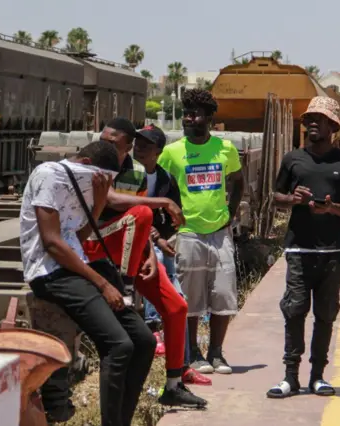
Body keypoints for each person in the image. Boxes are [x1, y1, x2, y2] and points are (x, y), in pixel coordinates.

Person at [19, 141, 156, 426]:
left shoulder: (82, 188)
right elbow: (53, 244)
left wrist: (99, 203)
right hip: (49, 273)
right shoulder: (49, 175)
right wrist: (103, 285)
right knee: (118, 346)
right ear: (82, 162)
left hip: (75, 269)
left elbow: (76, 239)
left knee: (143, 341)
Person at [83, 117, 208, 407]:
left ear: (126, 146)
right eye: (103, 137)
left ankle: (174, 385)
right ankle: (126, 290)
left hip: (124, 248)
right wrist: (163, 203)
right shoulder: (92, 161)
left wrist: (150, 253)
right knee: (144, 213)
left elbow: (137, 222)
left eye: (112, 141)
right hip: (92, 245)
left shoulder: (136, 172)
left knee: (176, 308)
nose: (105, 144)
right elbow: (112, 201)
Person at [267, 96, 340, 399]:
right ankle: (290, 377)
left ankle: (318, 376)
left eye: (318, 119)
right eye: (309, 119)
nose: (311, 123)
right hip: (299, 249)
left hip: (333, 252)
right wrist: (292, 200)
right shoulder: (293, 159)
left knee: (325, 314)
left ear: (332, 126)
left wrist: (332, 208)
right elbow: (274, 197)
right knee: (294, 310)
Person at [157, 89, 245, 375]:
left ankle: (217, 352)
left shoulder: (225, 149)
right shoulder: (172, 152)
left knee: (223, 293)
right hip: (188, 233)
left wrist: (230, 215)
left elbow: (238, 181)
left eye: (194, 113)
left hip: (220, 233)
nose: (188, 118)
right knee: (191, 297)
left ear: (209, 118)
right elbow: (161, 188)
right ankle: (193, 352)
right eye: (186, 112)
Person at [134, 124, 213, 387]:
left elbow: (173, 216)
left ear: (158, 151)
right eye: (137, 143)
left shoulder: (165, 179)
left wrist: (164, 237)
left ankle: (181, 365)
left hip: (153, 243)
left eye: (146, 145)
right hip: (133, 245)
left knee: (178, 298)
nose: (139, 148)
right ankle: (156, 329)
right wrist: (155, 237)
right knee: (167, 283)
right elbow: (129, 213)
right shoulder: (128, 175)